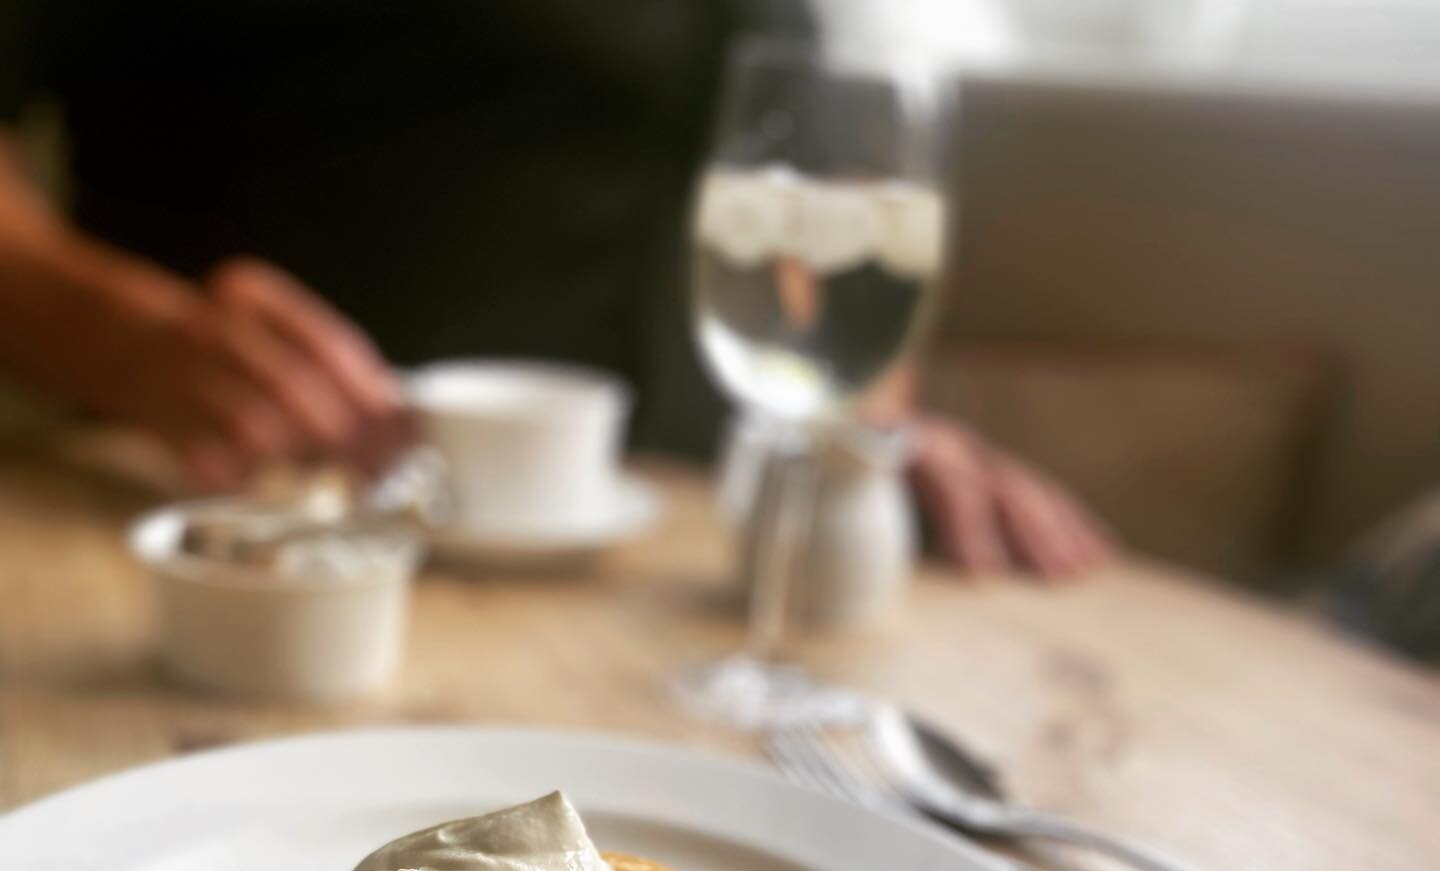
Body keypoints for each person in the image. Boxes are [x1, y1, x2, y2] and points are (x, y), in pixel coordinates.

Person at [0, 0, 1110, 576]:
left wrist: (859, 423)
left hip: (678, 566)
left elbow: (780, 198)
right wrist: (125, 331)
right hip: (259, 539)